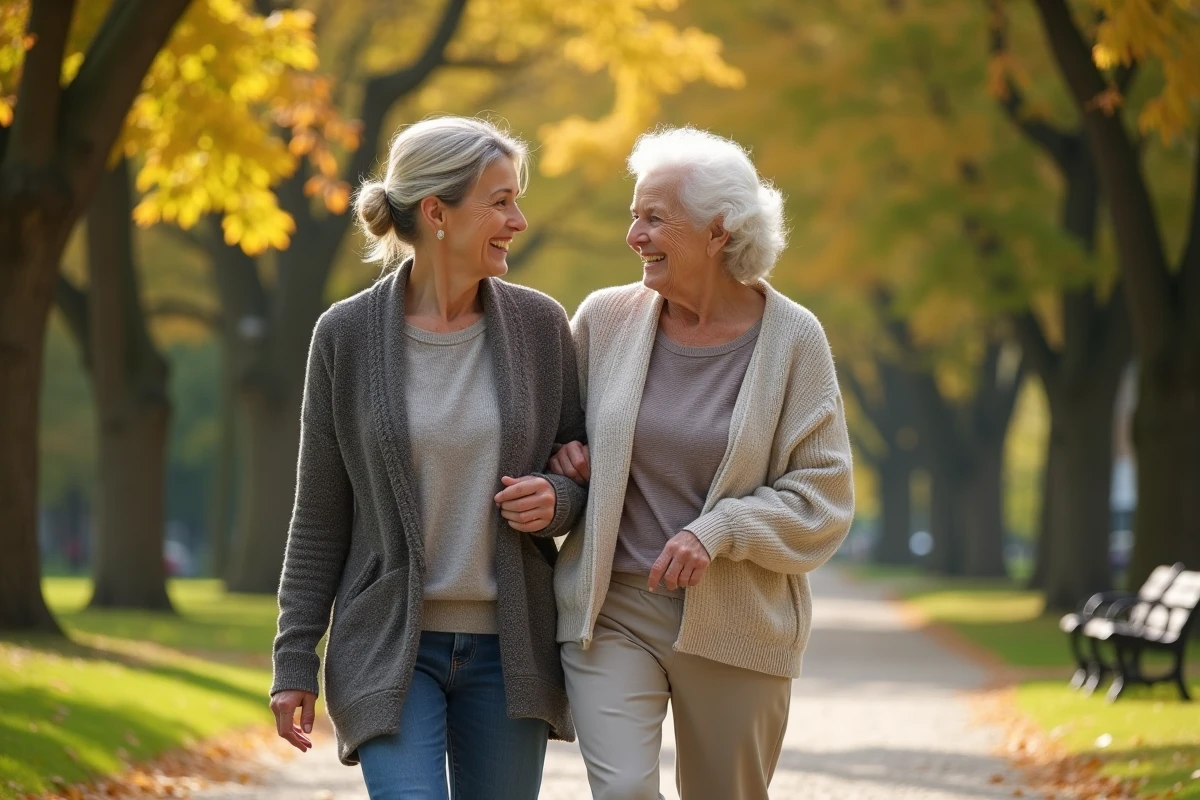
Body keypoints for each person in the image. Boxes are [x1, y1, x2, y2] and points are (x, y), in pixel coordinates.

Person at [269, 116, 585, 800]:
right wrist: (295, 656)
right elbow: (320, 514)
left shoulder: (540, 328)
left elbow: (581, 474)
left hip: (510, 650)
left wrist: (557, 499)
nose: (518, 220)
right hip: (389, 646)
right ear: (437, 212)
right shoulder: (344, 336)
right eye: (500, 201)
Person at [549, 126, 855, 800]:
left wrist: (718, 531)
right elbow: (551, 439)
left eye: (654, 218)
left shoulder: (794, 339)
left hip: (738, 620)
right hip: (614, 608)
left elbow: (824, 499)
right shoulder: (604, 319)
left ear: (720, 232)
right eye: (634, 216)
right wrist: (563, 460)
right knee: (624, 791)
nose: (634, 235)